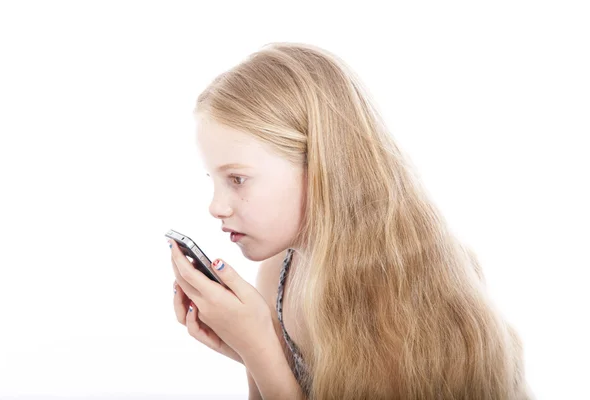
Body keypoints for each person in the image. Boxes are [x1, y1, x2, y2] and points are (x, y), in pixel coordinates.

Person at [171, 42, 534, 399]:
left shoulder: (401, 302)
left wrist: (260, 350)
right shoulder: (279, 271)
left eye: (237, 179)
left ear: (321, 167)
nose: (216, 207)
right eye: (213, 180)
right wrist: (251, 345)